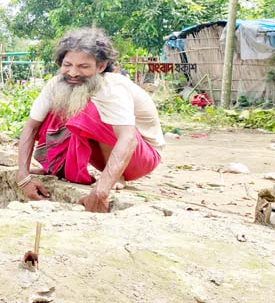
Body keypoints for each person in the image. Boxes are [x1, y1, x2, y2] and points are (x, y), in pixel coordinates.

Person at [16, 28, 165, 213]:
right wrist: (23, 176)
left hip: (141, 157)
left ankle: (114, 177)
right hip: (108, 152)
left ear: (101, 66)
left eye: (83, 67)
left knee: (86, 113)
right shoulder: (57, 84)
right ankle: (59, 167)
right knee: (54, 111)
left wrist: (101, 191)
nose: (72, 73)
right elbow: (31, 126)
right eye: (67, 64)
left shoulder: (113, 87)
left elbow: (128, 138)